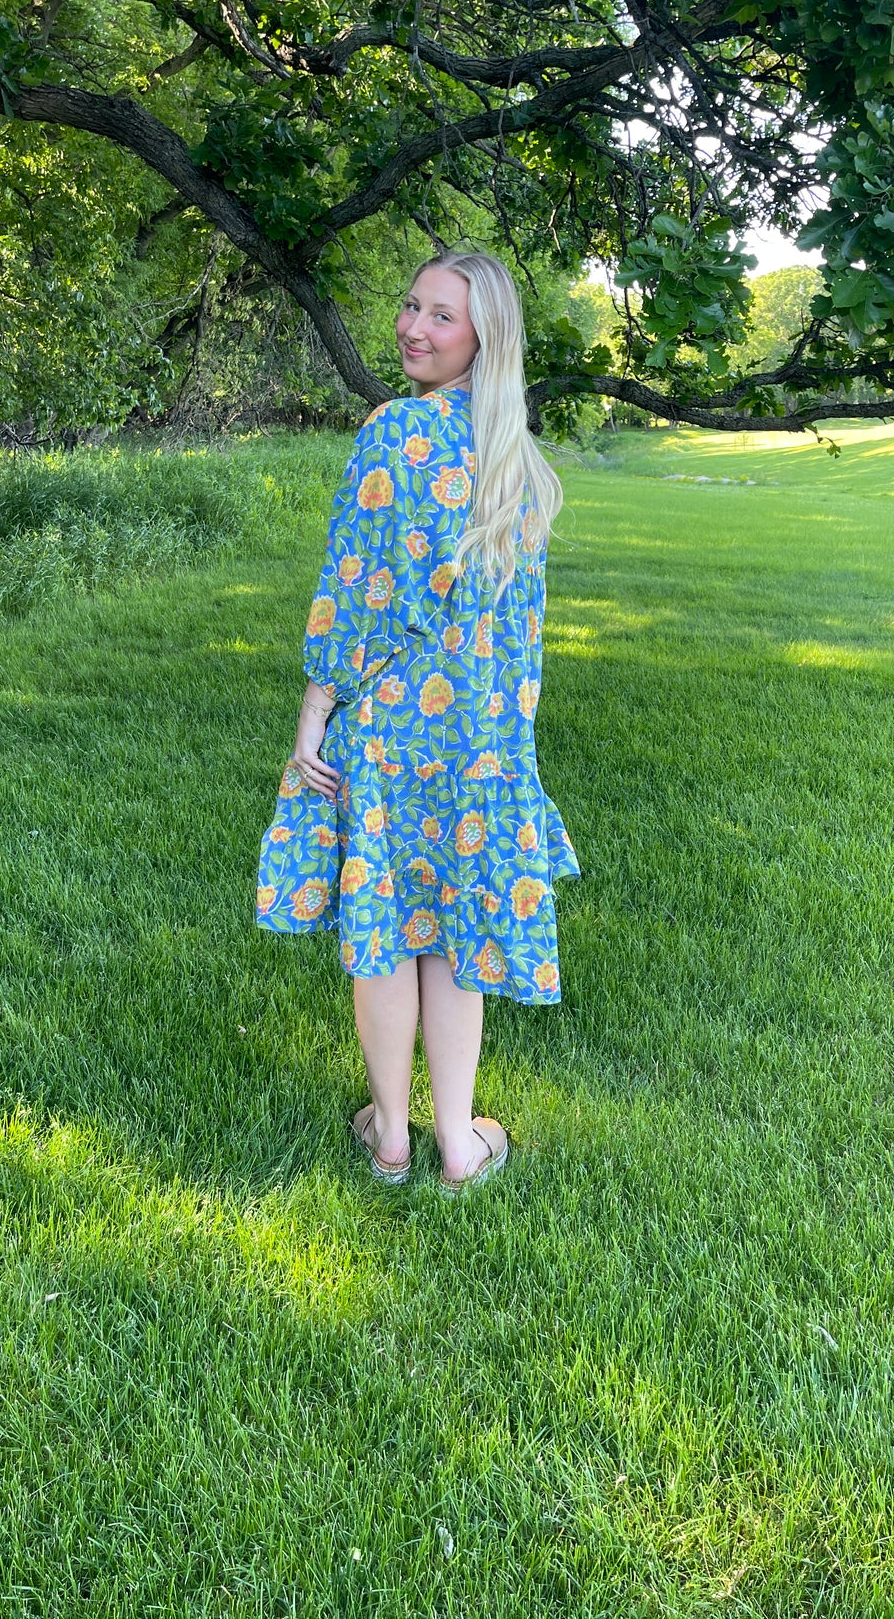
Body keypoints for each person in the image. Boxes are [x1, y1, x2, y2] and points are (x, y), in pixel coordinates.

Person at [255, 250, 578, 1191]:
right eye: (410, 306)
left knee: (389, 927)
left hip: (393, 728)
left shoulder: (393, 433)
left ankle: (390, 1136)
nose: (412, 327)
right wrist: (510, 747)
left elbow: (354, 591)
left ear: (484, 339)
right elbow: (521, 640)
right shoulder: (518, 461)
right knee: (455, 935)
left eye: (441, 316)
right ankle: (456, 1143)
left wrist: (317, 704)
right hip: (480, 741)